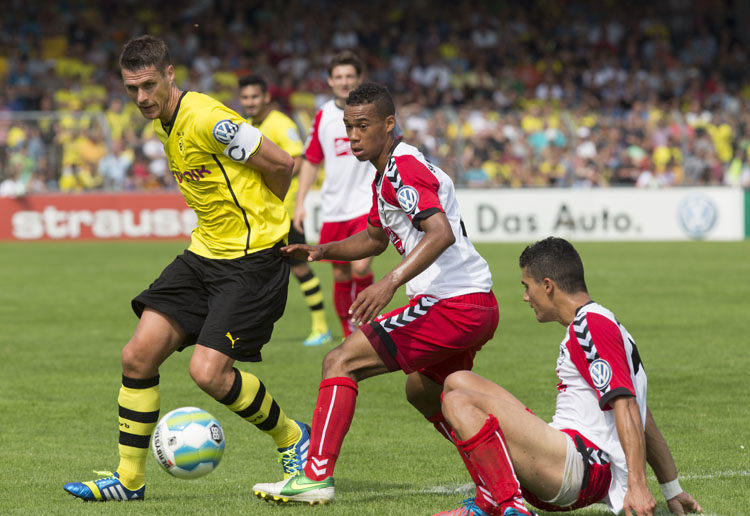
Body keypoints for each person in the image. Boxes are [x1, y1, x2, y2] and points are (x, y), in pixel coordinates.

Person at [63, 35, 311, 502]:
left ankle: (294, 439)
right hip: (204, 256)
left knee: (209, 374)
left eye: (149, 85)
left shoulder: (208, 119)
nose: (141, 98)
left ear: (170, 74)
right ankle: (128, 482)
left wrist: (267, 219)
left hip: (252, 260)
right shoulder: (162, 121)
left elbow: (282, 163)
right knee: (137, 355)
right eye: (132, 88)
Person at [252, 82, 498, 505]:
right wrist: (323, 249)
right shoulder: (386, 173)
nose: (352, 136)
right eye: (348, 126)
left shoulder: (403, 167)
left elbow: (438, 233)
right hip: (473, 304)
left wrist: (389, 281)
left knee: (340, 360)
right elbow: (373, 238)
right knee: (426, 393)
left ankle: (315, 477)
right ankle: (499, 475)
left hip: (451, 303)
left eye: (362, 126)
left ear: (389, 124)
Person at [434, 237, 703, 516]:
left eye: (528, 286)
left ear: (547, 286)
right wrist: (672, 489)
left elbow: (627, 406)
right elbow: (642, 414)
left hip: (584, 463)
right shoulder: (595, 323)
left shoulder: (590, 325)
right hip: (568, 455)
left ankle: (508, 507)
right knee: (457, 381)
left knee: (459, 402)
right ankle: (491, 500)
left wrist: (637, 485)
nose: (526, 296)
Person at [239, 74, 332, 347]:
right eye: (245, 97)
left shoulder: (281, 124)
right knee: (251, 269)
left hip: (285, 211)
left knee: (299, 267)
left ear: (267, 97)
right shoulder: (243, 125)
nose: (250, 102)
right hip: (260, 212)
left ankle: (321, 327)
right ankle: (247, 329)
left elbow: (299, 161)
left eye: (255, 97)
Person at [293, 51, 376, 339]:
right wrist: (300, 203)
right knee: (340, 274)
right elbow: (311, 161)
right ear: (330, 81)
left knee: (361, 264)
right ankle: (347, 333)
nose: (344, 82)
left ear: (359, 79)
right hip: (334, 207)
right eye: (339, 77)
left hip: (367, 203)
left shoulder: (374, 112)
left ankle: (366, 329)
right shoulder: (324, 116)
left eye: (350, 76)